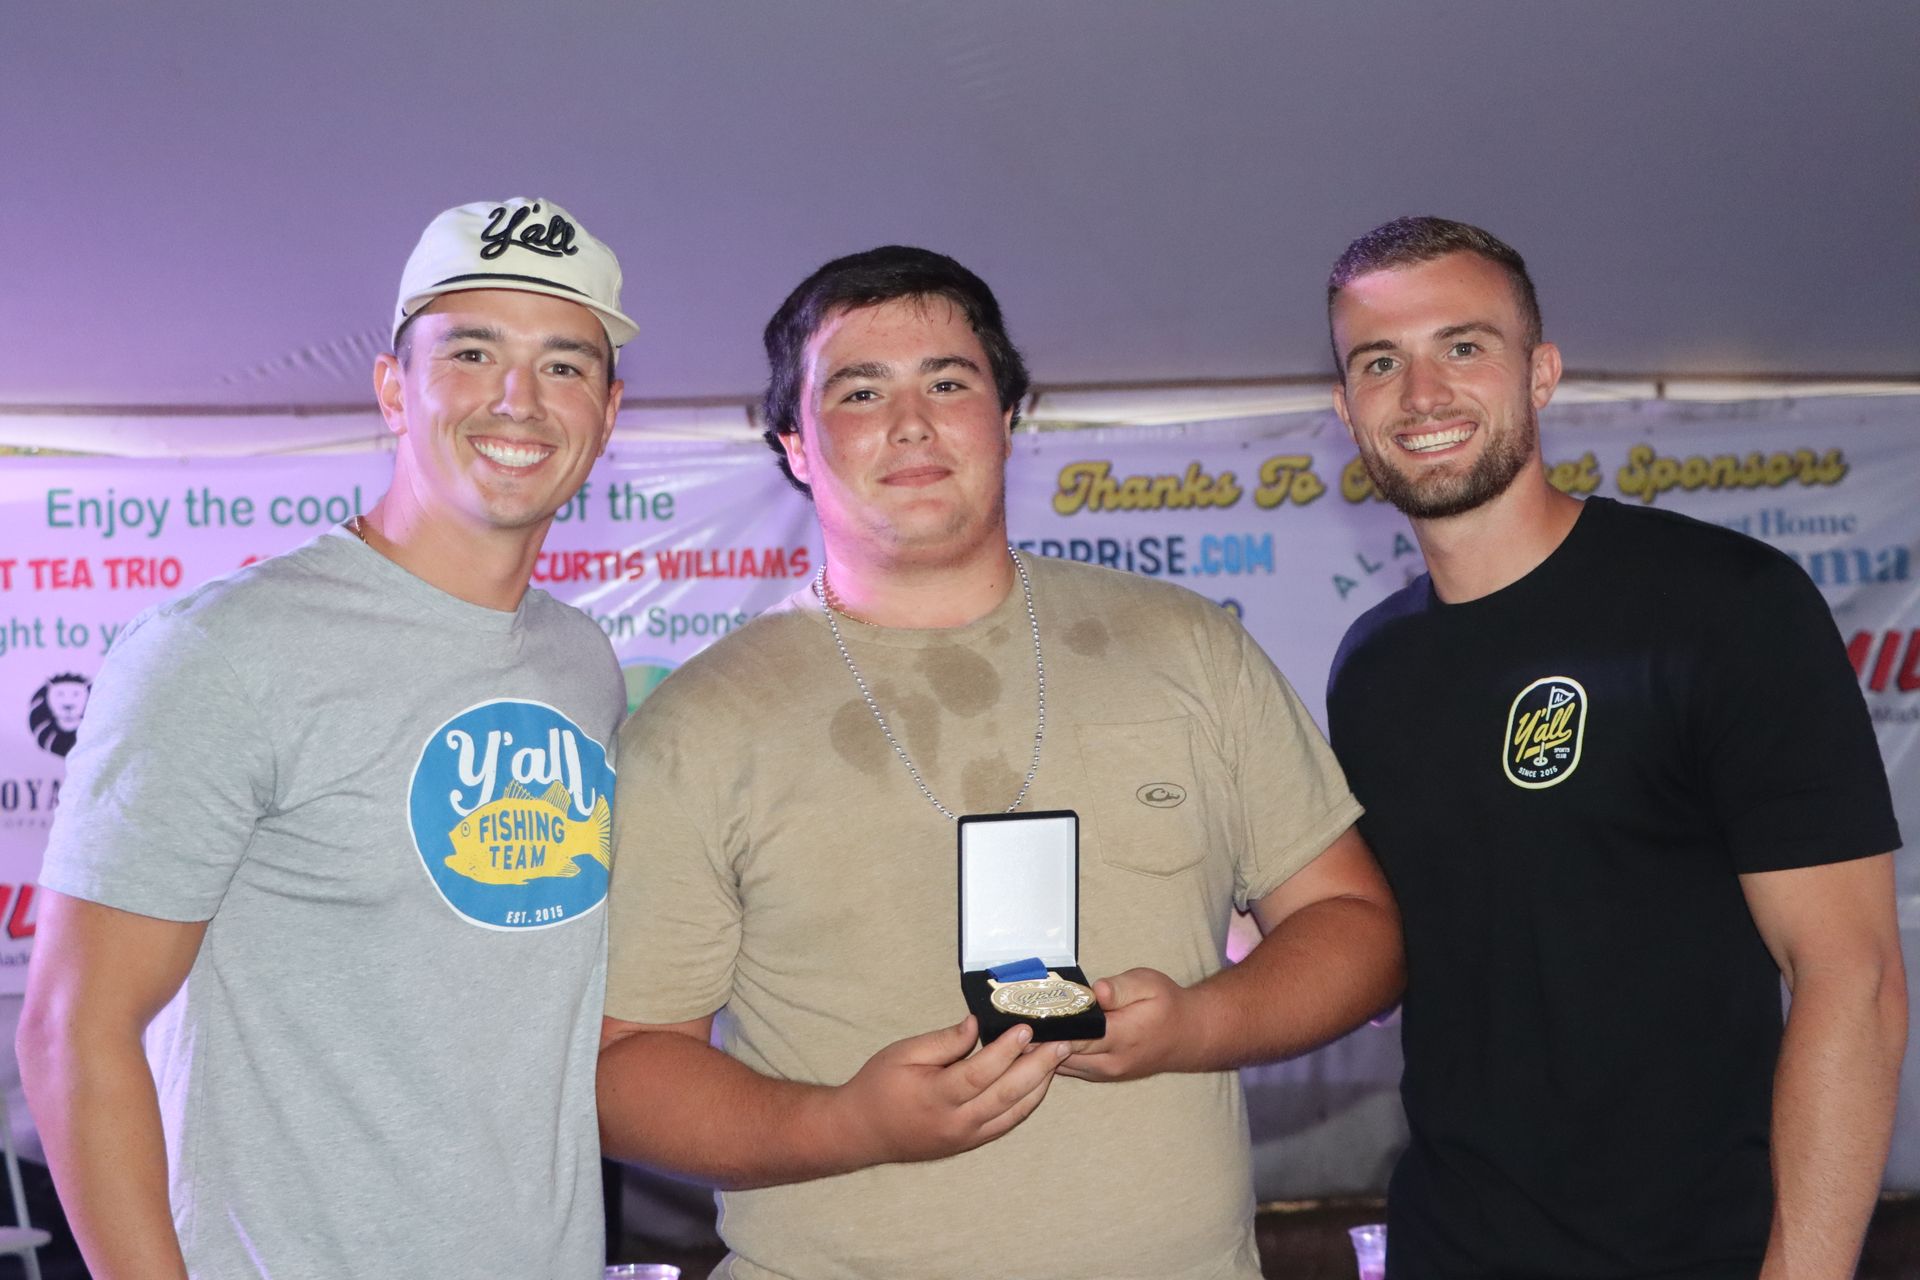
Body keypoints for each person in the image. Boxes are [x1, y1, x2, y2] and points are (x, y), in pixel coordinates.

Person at [596, 244, 1404, 1279]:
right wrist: (849, 1122)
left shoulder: (1188, 647)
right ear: (795, 442)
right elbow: (625, 1065)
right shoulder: (699, 724)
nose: (912, 421)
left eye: (949, 382)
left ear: (1008, 416)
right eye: (859, 391)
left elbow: (1357, 928)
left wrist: (1199, 1022)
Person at [18, 197, 635, 1278]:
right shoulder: (222, 651)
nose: (519, 398)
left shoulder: (579, 663)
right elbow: (74, 1029)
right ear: (394, 389)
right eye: (473, 352)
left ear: (609, 408)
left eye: (564, 364)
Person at [1322, 216, 1907, 1278]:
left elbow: (1851, 977)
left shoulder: (1724, 604)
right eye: (1379, 361)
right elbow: (1410, 947)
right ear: (1344, 407)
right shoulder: (1372, 667)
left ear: (1541, 373)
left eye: (1463, 346)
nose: (1422, 393)